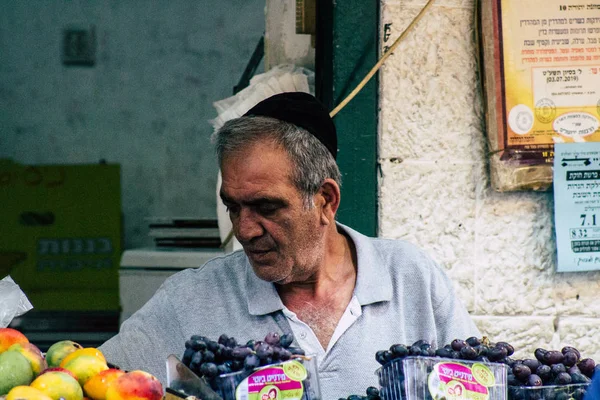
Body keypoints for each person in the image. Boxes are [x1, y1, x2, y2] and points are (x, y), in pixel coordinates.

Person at [99, 92, 479, 399]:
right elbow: (95, 382)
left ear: (325, 201)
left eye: (266, 207)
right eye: (234, 207)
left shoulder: (409, 278)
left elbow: (481, 382)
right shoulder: (193, 298)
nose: (245, 231)